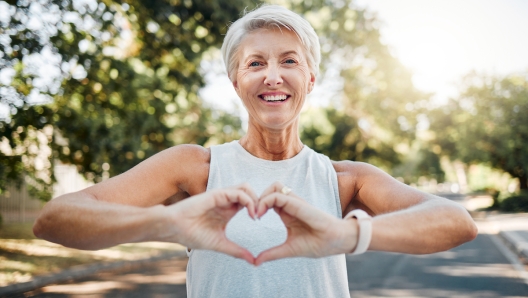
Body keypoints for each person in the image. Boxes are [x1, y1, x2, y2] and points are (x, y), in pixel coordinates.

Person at [33, 4, 478, 298]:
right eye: (255, 63)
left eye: (289, 61)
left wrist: (346, 235)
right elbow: (53, 219)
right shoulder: (194, 168)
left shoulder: (344, 179)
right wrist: (169, 222)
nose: (272, 76)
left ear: (310, 79)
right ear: (235, 82)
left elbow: (456, 222)